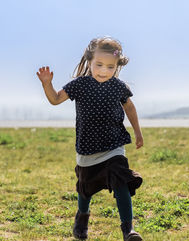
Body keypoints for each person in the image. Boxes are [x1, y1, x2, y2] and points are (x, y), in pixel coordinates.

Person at [36, 36, 144, 241]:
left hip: (114, 146)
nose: (104, 71)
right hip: (87, 149)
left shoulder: (118, 86)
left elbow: (129, 107)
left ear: (117, 66)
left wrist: (138, 132)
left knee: (121, 180)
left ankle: (128, 230)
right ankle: (82, 216)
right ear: (89, 62)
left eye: (110, 67)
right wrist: (47, 84)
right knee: (85, 189)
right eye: (99, 65)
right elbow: (56, 99)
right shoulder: (80, 84)